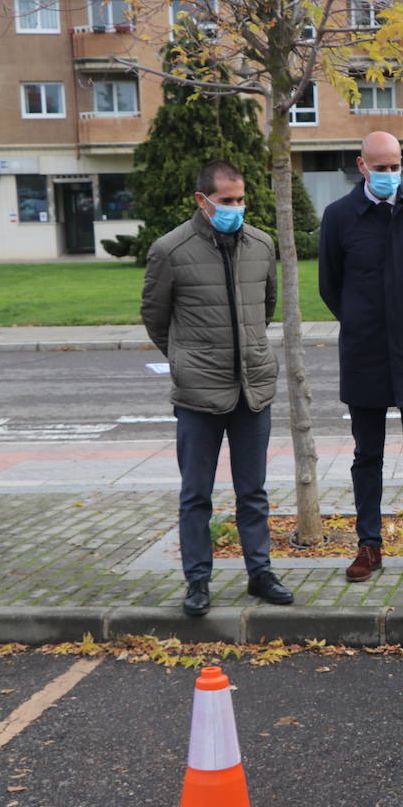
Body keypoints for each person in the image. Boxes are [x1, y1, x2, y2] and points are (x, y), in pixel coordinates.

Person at [141, 160, 294, 617]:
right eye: (227, 201)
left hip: (253, 389)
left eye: (241, 199)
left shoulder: (262, 245)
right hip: (198, 395)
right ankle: (198, 582)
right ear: (201, 200)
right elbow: (155, 316)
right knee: (196, 494)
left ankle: (260, 573)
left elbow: (264, 308)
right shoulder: (170, 250)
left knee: (254, 492)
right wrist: (187, 358)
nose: (236, 208)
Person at [318, 132, 403, 582]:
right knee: (367, 455)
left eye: (395, 166)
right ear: (361, 166)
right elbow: (330, 286)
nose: (389, 175)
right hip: (365, 352)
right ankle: (368, 546)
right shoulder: (339, 217)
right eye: (380, 168)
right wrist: (362, 319)